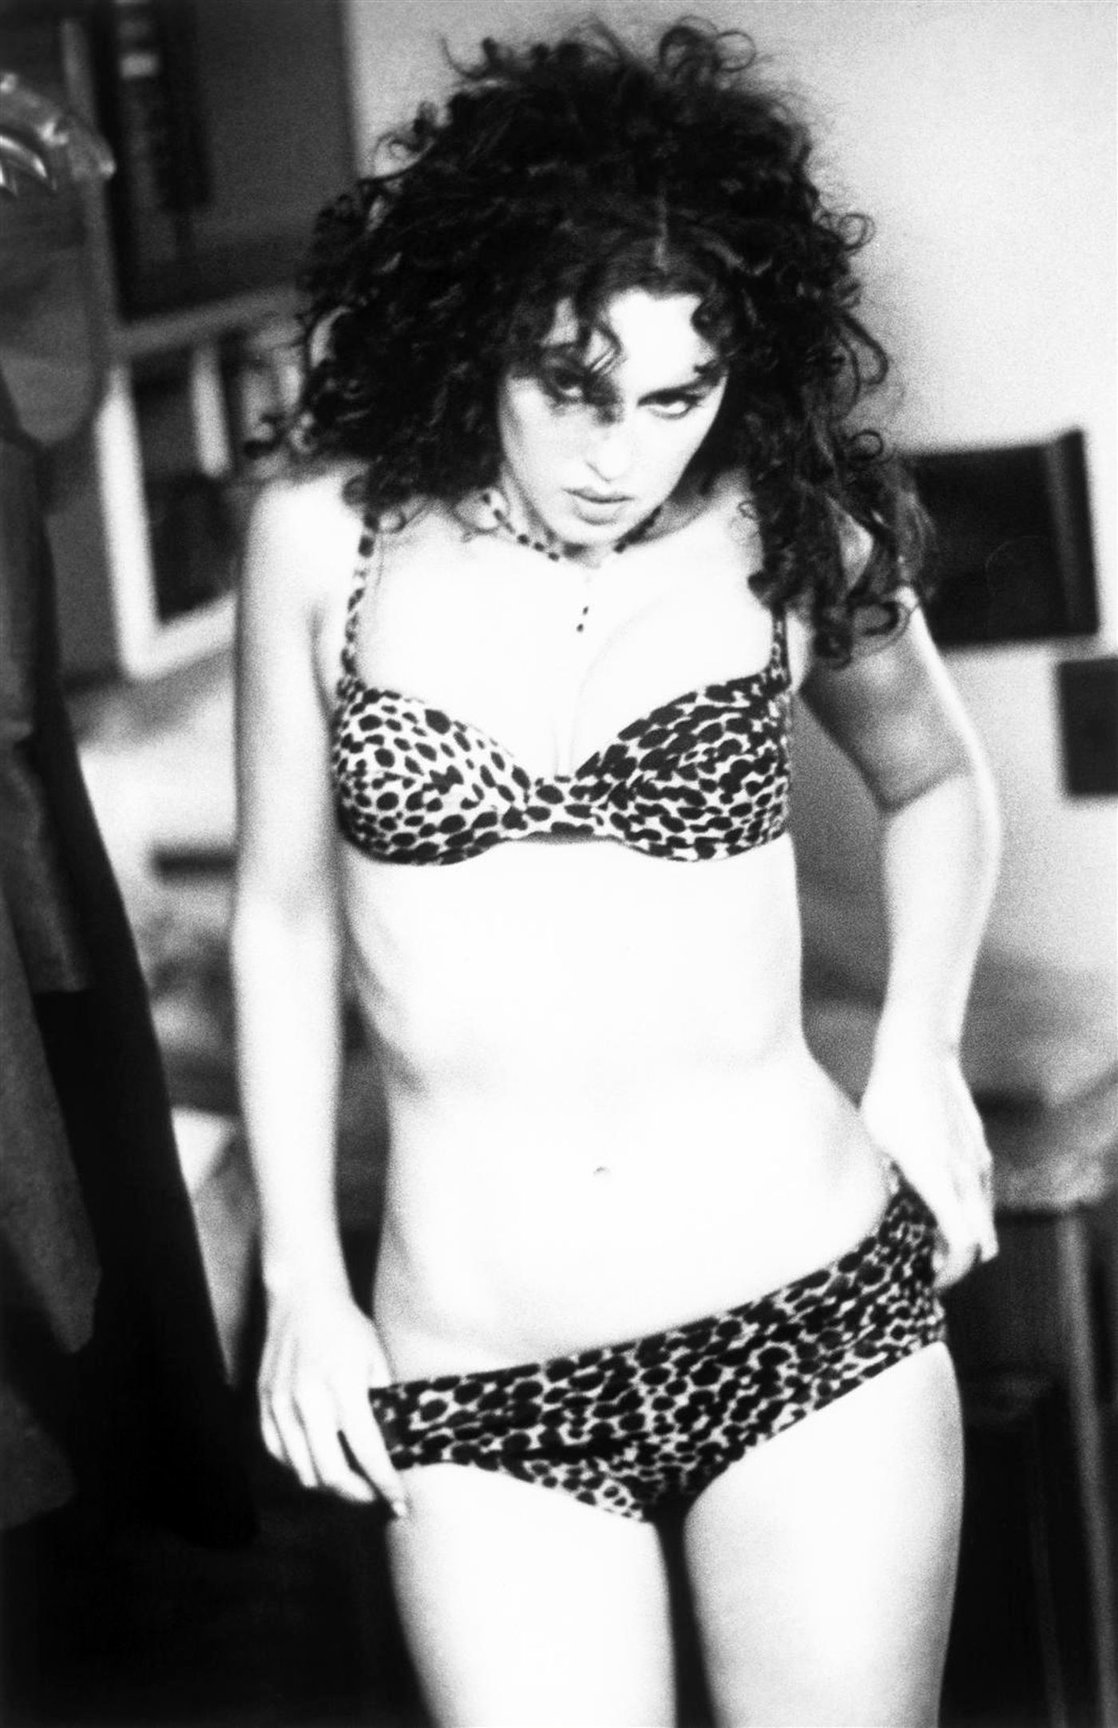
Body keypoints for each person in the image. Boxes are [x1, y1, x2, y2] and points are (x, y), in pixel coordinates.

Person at [232, 21, 1000, 1726]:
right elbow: (279, 919)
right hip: (475, 1374)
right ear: (474, 329)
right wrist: (299, 1280)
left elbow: (939, 781)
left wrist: (920, 1051)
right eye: (568, 387)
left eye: (674, 397)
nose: (616, 454)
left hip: (811, 1329)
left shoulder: (787, 533)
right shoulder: (325, 542)